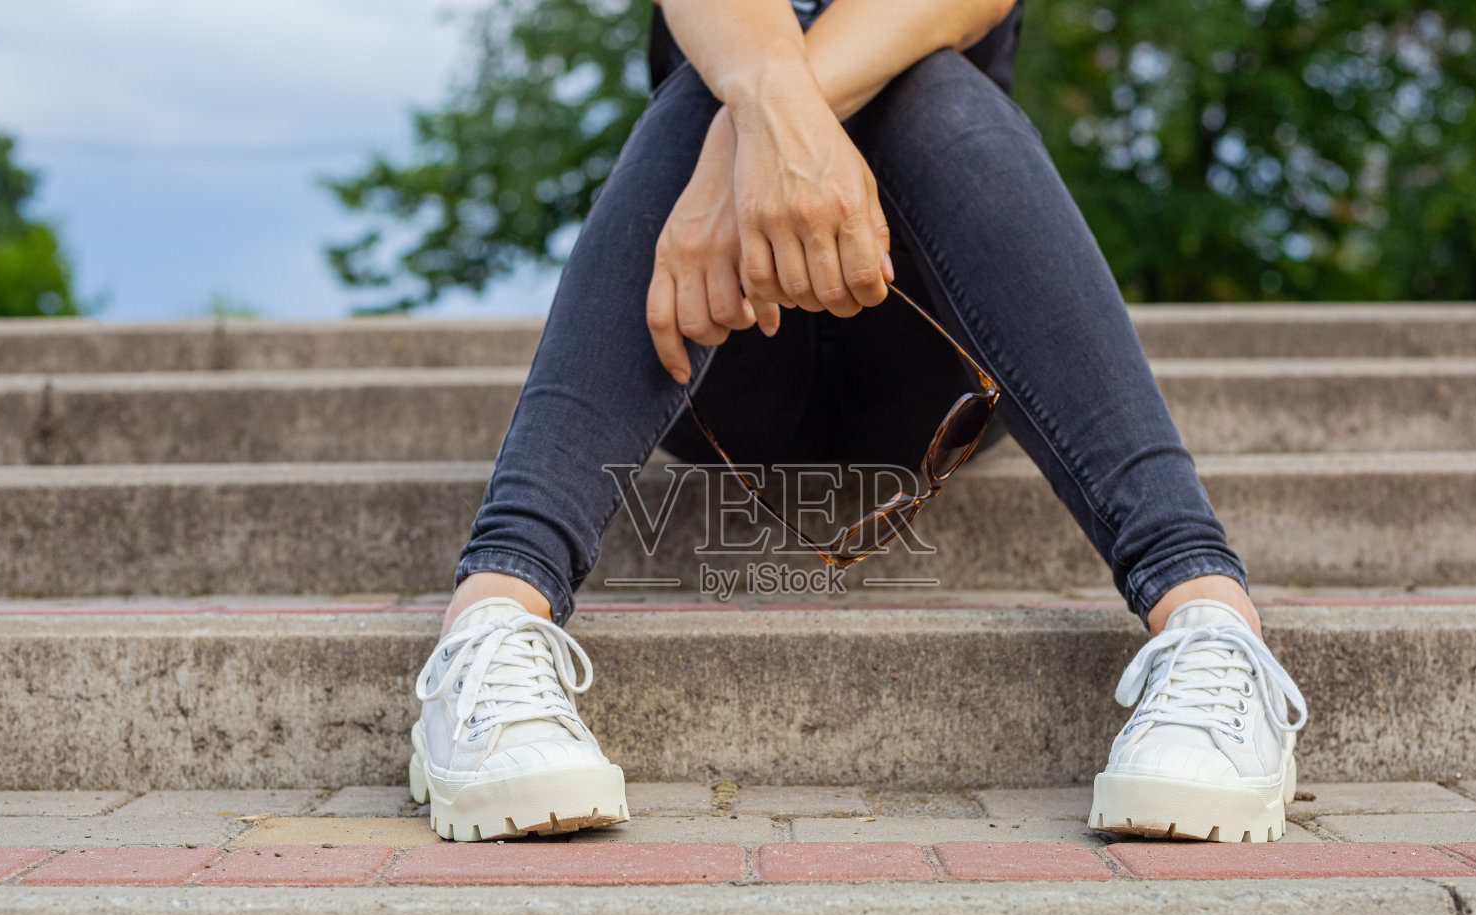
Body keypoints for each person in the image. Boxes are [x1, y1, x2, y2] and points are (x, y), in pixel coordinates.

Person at [410, 0, 1309, 845]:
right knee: (720, 83)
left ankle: (1207, 620)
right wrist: (757, 114)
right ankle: (493, 617)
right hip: (723, 341)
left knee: (920, 83)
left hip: (929, 361)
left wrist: (751, 131)